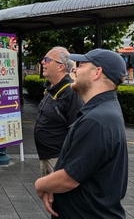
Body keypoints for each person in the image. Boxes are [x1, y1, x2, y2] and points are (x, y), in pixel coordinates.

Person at [35, 48, 128, 218]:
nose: (74, 70)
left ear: (97, 72)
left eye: (82, 65)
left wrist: (41, 184)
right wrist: (53, 185)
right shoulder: (102, 110)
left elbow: (70, 178)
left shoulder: (96, 120)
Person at [34, 46, 83, 176]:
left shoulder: (71, 92)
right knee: (48, 196)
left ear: (61, 66)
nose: (42, 62)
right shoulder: (51, 88)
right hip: (46, 156)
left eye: (47, 59)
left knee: (59, 196)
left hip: (59, 159)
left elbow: (76, 129)